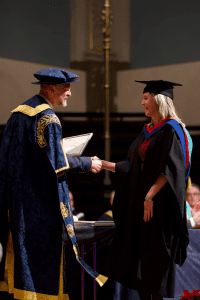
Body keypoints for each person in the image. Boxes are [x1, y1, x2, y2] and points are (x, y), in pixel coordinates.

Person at [0, 68, 107, 300]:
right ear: (51, 88)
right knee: (42, 274)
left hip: (17, 205)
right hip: (41, 208)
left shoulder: (18, 113)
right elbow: (55, 163)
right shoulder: (48, 118)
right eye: (66, 89)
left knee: (20, 267)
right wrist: (88, 162)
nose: (69, 94)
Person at [96, 80, 193, 300]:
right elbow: (131, 167)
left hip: (159, 210)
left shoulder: (172, 130)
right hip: (141, 210)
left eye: (146, 98)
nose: (142, 103)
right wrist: (103, 164)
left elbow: (171, 170)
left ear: (159, 101)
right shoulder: (147, 131)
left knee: (154, 269)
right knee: (138, 268)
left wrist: (149, 196)